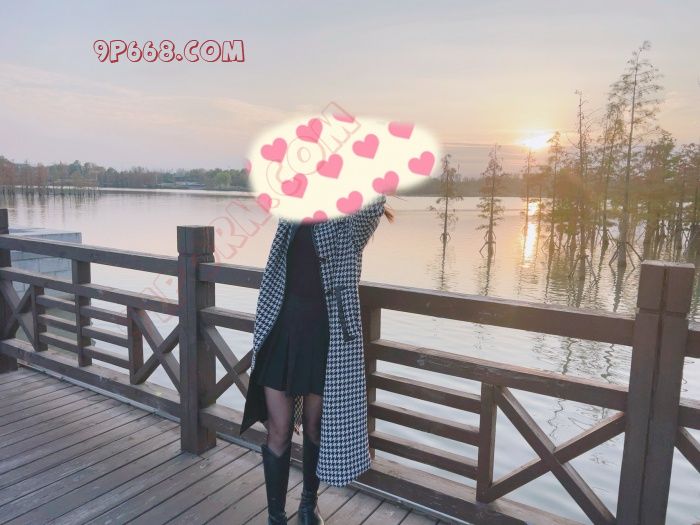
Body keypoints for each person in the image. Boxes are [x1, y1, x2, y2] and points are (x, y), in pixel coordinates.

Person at [240, 194, 393, 524]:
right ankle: (276, 517)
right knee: (278, 428)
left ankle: (309, 504)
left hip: (326, 336)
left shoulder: (351, 221)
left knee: (314, 425)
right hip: (282, 330)